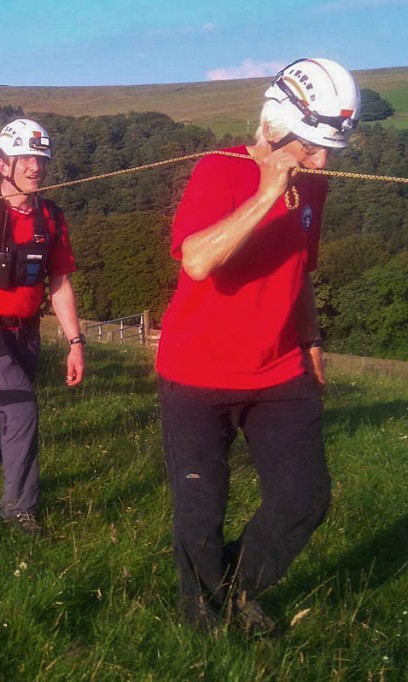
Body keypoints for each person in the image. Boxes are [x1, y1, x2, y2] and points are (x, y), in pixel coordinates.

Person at [155, 58, 360, 634]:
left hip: (279, 370)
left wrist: (311, 339)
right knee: (201, 507)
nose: (321, 162)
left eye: (328, 149)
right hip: (196, 372)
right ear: (273, 124)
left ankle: (238, 587)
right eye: (311, 147)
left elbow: (300, 272)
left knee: (304, 498)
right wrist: (267, 193)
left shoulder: (314, 183)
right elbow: (198, 260)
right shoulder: (218, 170)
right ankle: (201, 624)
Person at [0, 118, 85, 536]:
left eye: (40, 159)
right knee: (22, 406)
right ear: (2, 165)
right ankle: (19, 510)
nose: (35, 167)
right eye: (25, 158)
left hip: (26, 330)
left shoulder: (51, 217)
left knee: (6, 404)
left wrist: (75, 342)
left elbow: (59, 282)